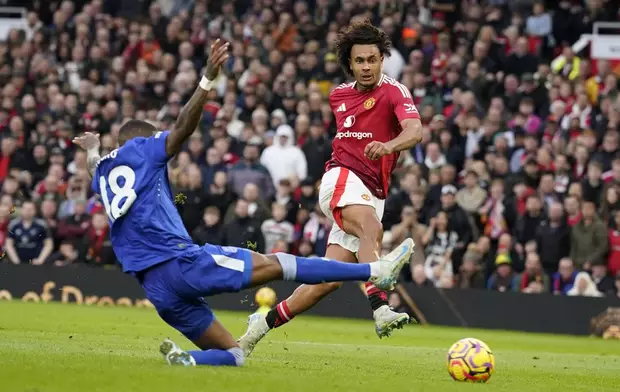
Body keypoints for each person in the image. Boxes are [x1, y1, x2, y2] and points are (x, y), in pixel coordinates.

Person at [71, 40, 414, 368]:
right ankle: (377, 283)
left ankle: (198, 354)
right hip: (183, 263)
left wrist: (91, 151)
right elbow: (179, 131)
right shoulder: (143, 149)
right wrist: (207, 79)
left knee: (235, 353)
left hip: (156, 288)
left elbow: (93, 166)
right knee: (279, 262)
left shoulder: (102, 171)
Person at [238, 20, 423, 355]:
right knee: (371, 227)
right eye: (359, 61)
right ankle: (380, 307)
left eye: (372, 59)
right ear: (349, 64)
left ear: (382, 60)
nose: (367, 66)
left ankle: (259, 326)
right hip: (340, 179)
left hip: (371, 191)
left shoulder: (395, 91)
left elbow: (415, 131)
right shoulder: (338, 95)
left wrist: (390, 145)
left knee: (329, 279)